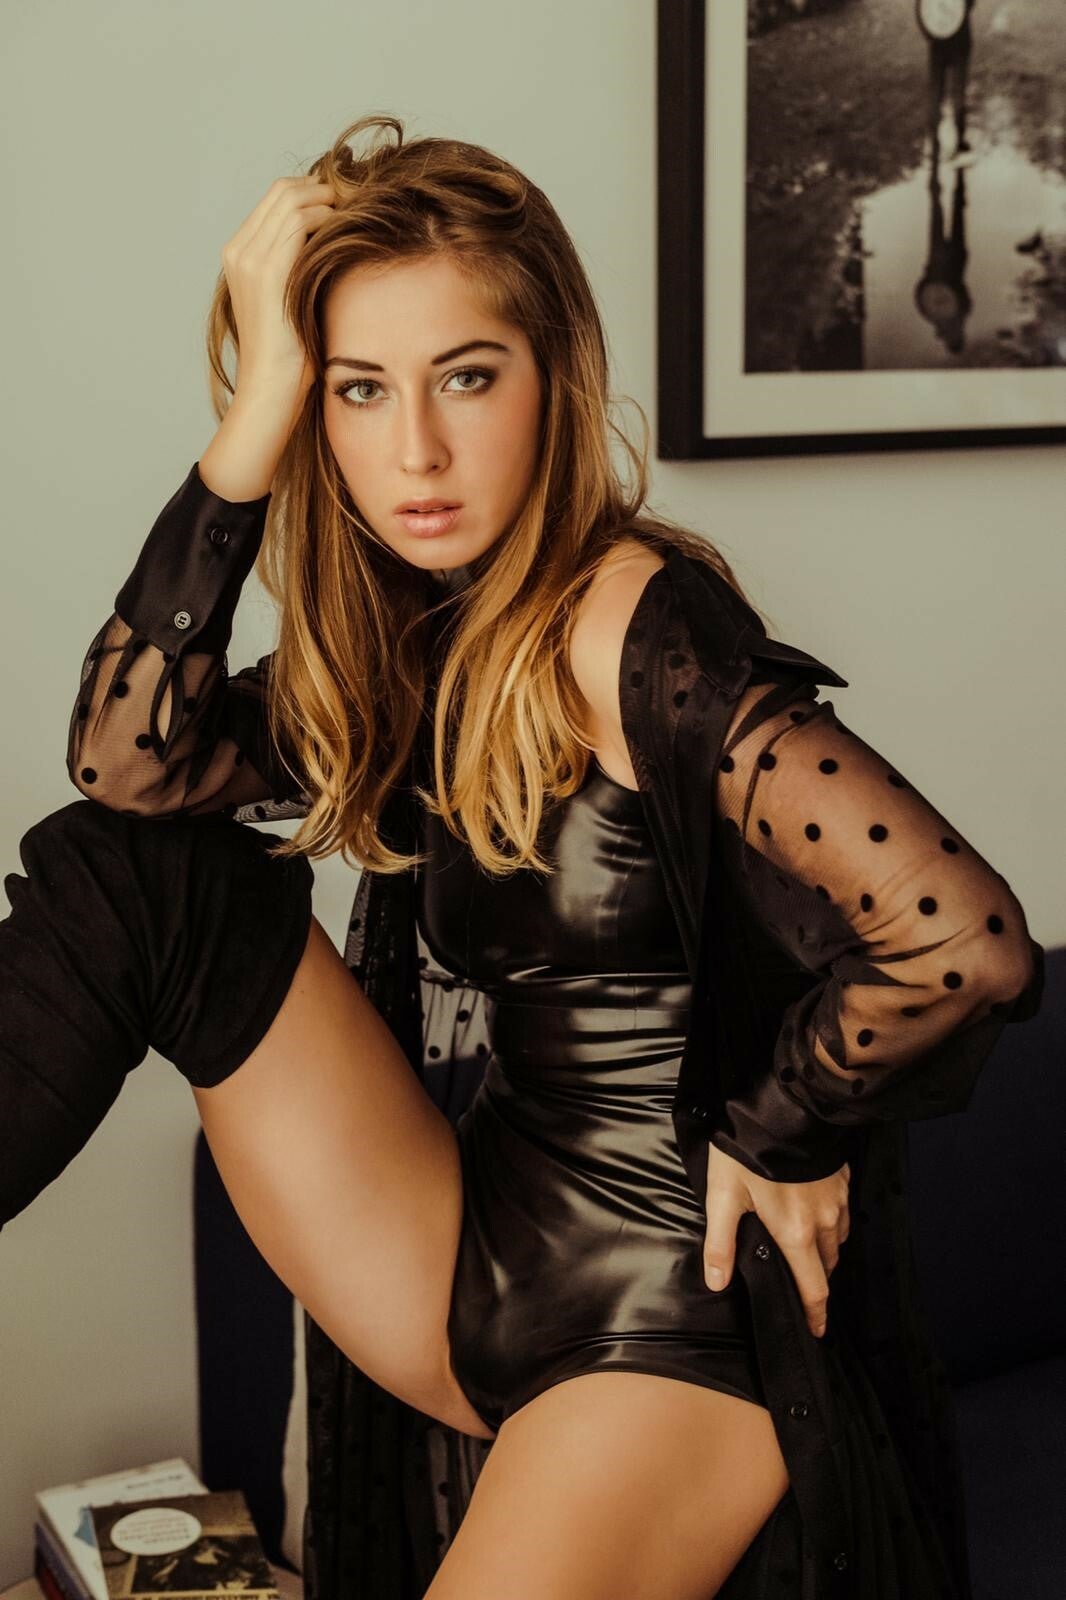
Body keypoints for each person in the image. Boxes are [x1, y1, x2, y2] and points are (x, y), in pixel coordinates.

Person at [1, 114, 1044, 1599]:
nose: (413, 451)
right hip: (474, 1244)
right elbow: (130, 767)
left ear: (553, 377)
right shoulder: (420, 635)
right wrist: (255, 413)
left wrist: (784, 1127)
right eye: (360, 390)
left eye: (467, 377)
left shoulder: (631, 622)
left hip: (670, 1320)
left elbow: (961, 941)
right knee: (133, 874)